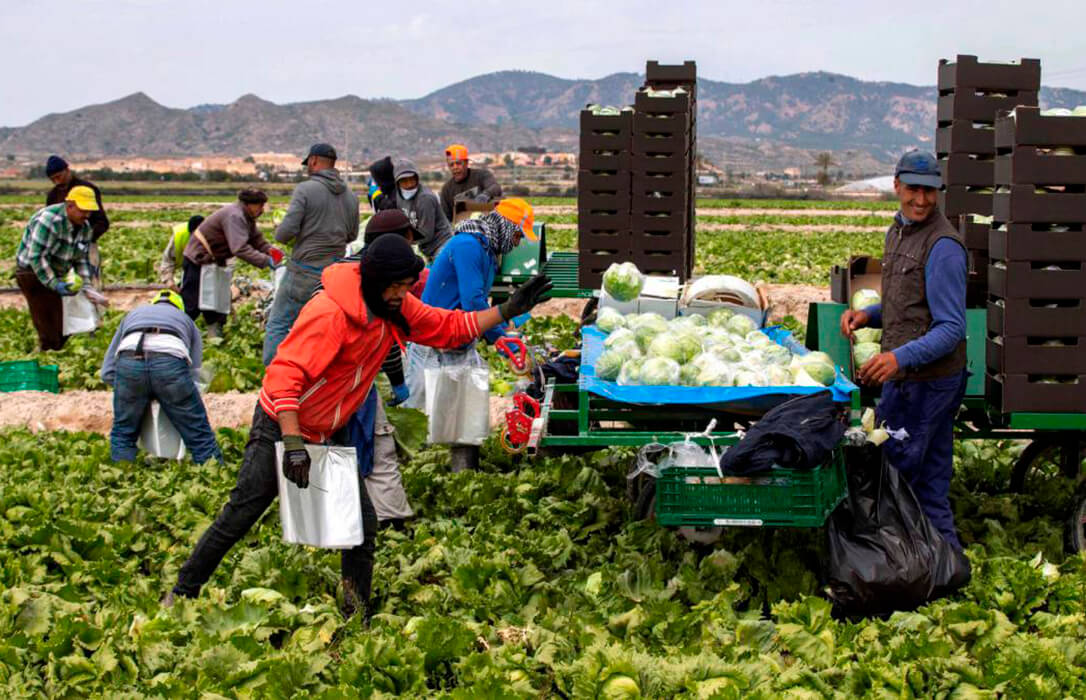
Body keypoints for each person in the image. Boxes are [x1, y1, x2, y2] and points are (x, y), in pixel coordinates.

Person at [164, 234, 552, 617]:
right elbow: (284, 375)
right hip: (285, 422)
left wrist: (505, 310)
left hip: (334, 425)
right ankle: (182, 592)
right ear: (374, 281)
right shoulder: (331, 313)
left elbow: (446, 325)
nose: (403, 294)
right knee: (242, 512)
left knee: (362, 527)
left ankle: (356, 614)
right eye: (396, 286)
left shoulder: (394, 307)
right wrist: (294, 444)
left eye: (406, 286)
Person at [840, 149, 968, 550]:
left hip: (927, 382)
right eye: (913, 189)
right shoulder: (898, 232)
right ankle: (943, 563)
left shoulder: (943, 247)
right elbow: (909, 306)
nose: (922, 200)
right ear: (896, 186)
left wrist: (897, 358)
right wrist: (869, 316)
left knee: (901, 479)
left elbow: (950, 328)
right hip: (911, 377)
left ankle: (906, 562)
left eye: (930, 192)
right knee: (926, 478)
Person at [404, 198, 537, 471]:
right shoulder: (468, 246)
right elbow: (473, 301)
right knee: (416, 419)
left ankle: (461, 474)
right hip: (433, 342)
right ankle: (408, 475)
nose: (518, 243)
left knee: (464, 416)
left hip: (458, 340)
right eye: (517, 235)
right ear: (505, 226)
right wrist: (499, 336)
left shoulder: (487, 250)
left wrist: (502, 332)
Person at [263, 143, 360, 365]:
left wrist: (282, 229)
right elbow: (352, 235)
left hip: (303, 272)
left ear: (314, 161)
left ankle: (275, 377)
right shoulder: (351, 197)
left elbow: (284, 235)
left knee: (279, 324)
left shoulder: (305, 190)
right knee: (321, 329)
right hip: (334, 276)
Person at [101, 290, 222, 464]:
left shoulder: (132, 315)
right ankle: (213, 474)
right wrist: (170, 395)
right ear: (179, 309)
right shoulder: (187, 321)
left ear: (154, 304)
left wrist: (132, 390)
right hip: (170, 364)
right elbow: (194, 373)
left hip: (129, 361)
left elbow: (107, 372)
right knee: (198, 434)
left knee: (123, 432)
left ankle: (121, 477)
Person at [180, 189, 281, 338]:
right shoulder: (235, 216)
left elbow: (258, 241)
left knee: (217, 303)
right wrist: (266, 261)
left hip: (215, 262)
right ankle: (177, 334)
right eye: (260, 206)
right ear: (248, 204)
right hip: (198, 260)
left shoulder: (247, 218)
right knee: (192, 305)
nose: (262, 210)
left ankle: (214, 339)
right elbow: (239, 248)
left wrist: (276, 254)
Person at [15, 186, 101, 350]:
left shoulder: (84, 228)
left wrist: (86, 286)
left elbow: (81, 259)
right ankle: (48, 354)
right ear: (69, 206)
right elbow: (36, 256)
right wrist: (54, 283)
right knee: (48, 322)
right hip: (31, 272)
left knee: (63, 323)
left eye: (89, 211)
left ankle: (56, 351)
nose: (87, 215)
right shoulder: (49, 221)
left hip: (56, 271)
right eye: (83, 210)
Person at [393, 159, 451, 262]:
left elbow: (426, 234)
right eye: (404, 181)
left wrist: (404, 242)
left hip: (441, 245)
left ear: (417, 178)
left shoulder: (425, 199)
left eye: (412, 179)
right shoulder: (399, 196)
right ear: (397, 183)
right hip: (424, 247)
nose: (409, 184)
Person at [45, 155, 109, 241]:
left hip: (85, 242)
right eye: (53, 179)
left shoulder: (87, 189)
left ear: (67, 170)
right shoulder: (52, 195)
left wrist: (84, 239)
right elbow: (50, 222)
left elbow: (102, 222)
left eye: (59, 177)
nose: (57, 182)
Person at [439, 144, 503, 223]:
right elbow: (445, 219)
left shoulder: (481, 176)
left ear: (466, 163)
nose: (455, 167)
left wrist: (486, 194)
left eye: (458, 163)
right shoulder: (446, 189)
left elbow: (495, 187)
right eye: (451, 165)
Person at [158, 215, 205, 286]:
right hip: (189, 270)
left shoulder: (214, 234)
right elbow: (167, 261)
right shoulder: (180, 235)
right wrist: (169, 282)